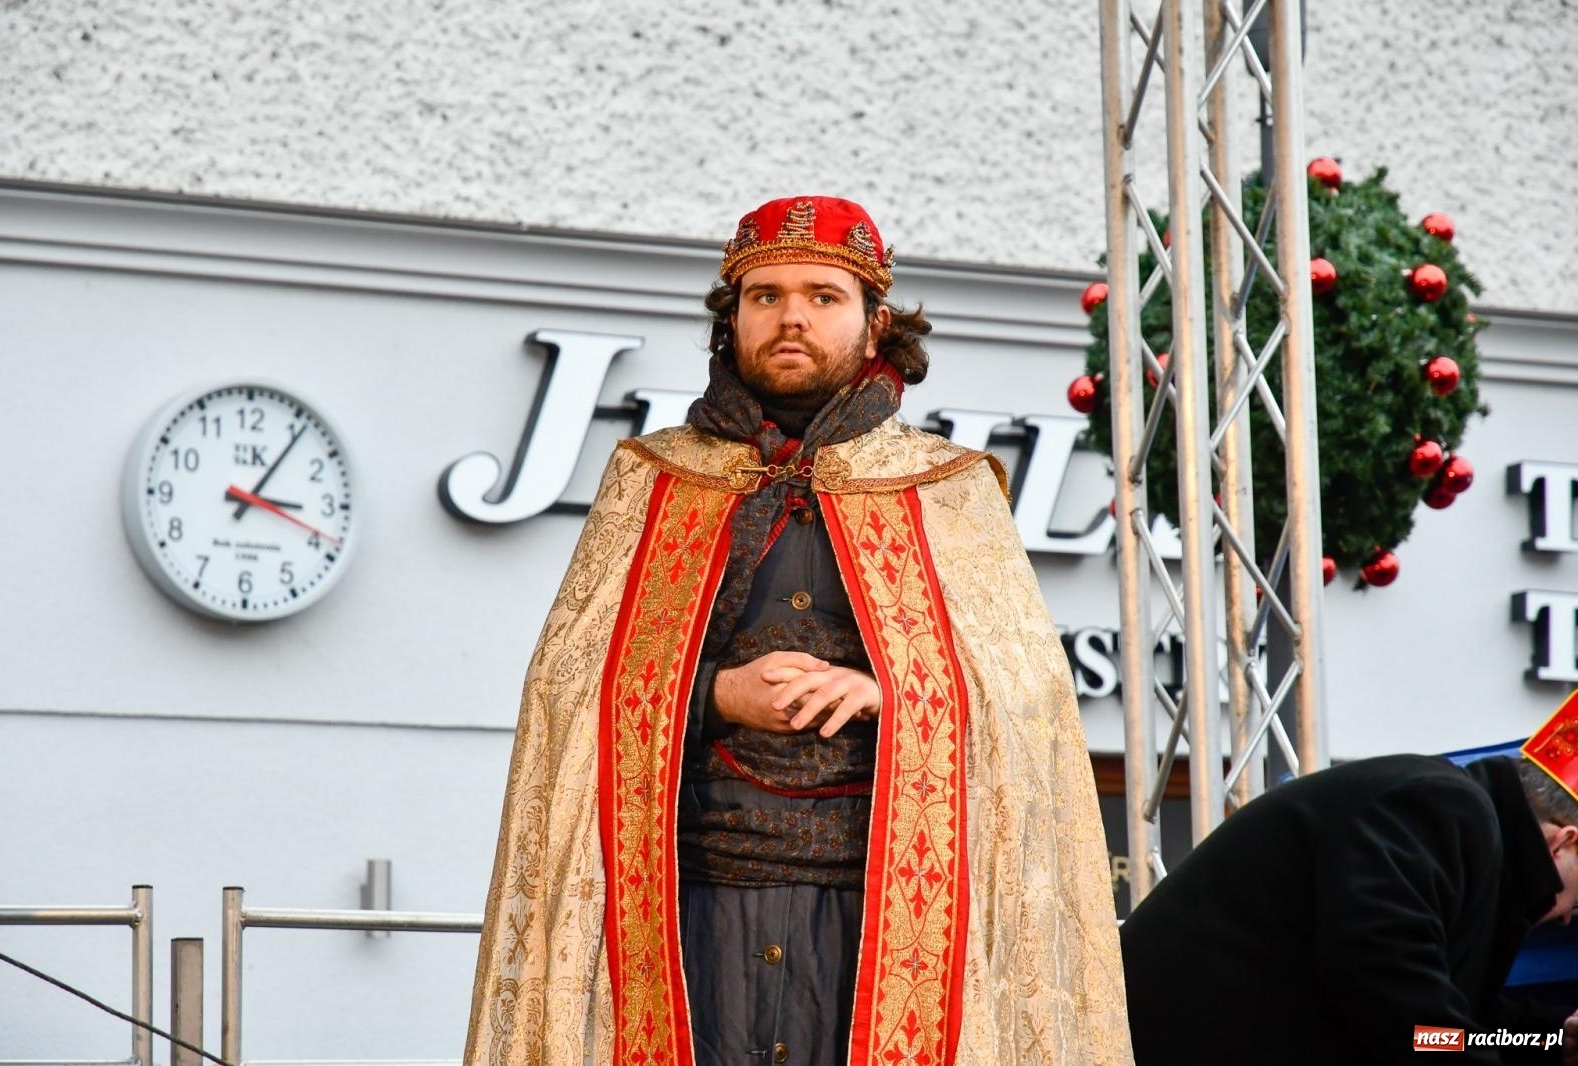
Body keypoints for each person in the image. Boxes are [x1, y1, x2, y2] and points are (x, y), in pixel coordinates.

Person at [463, 196, 1132, 1065]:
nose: (792, 318)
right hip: (685, 904)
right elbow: (570, 685)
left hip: (885, 913)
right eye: (765, 295)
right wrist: (713, 694)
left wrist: (885, 688)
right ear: (731, 316)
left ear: (874, 321)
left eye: (823, 296)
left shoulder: (946, 487)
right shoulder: (652, 478)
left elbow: (1027, 702)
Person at [1119, 742, 1578, 1065]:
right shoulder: (1443, 807)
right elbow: (1398, 1001)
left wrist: (1552, 1041)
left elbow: (1446, 1028)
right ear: (1564, 842)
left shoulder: (1467, 833)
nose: (1562, 920)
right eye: (1577, 907)